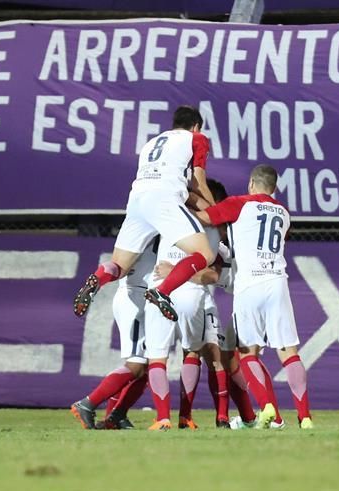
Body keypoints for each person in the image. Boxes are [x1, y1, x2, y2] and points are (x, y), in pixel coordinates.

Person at [193, 164, 314, 430]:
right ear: (274, 188)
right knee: (289, 352)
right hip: (277, 282)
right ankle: (304, 418)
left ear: (251, 184)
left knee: (248, 353)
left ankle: (268, 407)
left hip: (249, 284)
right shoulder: (284, 213)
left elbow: (205, 217)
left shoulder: (239, 204)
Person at [73, 105, 217, 323]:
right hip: (164, 199)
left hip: (137, 201)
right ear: (196, 126)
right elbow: (198, 181)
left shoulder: (151, 143)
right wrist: (217, 211)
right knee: (205, 254)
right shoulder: (197, 138)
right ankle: (163, 291)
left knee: (119, 267)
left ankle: (97, 278)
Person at [143, 179, 229, 430]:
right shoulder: (215, 230)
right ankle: (185, 416)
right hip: (191, 294)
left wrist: (172, 271)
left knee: (157, 358)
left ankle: (162, 418)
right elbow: (212, 272)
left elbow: (214, 275)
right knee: (192, 353)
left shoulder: (166, 216)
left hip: (159, 288)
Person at [70, 239, 158, 430]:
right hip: (136, 296)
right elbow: (119, 263)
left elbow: (116, 264)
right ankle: (88, 403)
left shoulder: (148, 223)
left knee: (149, 366)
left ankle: (115, 416)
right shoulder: (155, 224)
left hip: (147, 296)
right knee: (136, 364)